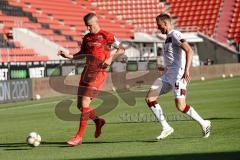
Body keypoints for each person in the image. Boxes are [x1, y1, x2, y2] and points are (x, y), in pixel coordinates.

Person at [58, 13, 125, 146]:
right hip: (86, 73)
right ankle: (98, 121)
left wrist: (110, 58)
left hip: (98, 74)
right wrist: (69, 56)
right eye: (86, 26)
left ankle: (79, 137)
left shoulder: (107, 35)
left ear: (95, 22)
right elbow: (81, 54)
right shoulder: (87, 38)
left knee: (84, 103)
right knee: (80, 106)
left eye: (90, 26)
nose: (88, 29)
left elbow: (121, 49)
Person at [145, 13, 211, 140]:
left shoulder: (175, 34)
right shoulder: (167, 38)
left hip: (178, 76)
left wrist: (187, 70)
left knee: (181, 106)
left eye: (159, 26)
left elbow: (189, 50)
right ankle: (166, 127)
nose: (158, 28)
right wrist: (164, 68)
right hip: (167, 75)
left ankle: (204, 123)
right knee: (150, 98)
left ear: (166, 23)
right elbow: (173, 58)